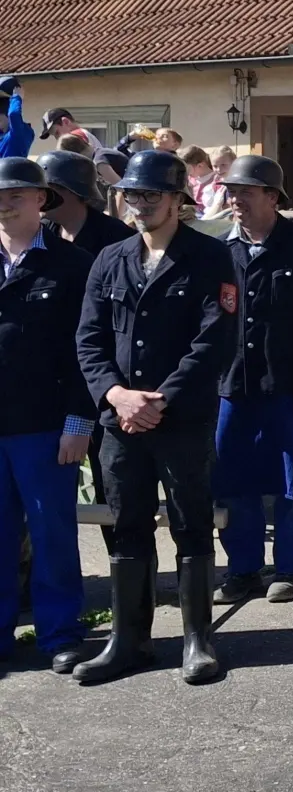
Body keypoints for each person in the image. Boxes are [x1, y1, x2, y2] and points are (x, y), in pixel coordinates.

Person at [74, 149, 236, 685]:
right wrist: (117, 396)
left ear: (177, 200)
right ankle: (129, 641)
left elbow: (214, 340)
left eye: (151, 195)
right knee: (127, 529)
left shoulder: (210, 258)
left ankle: (197, 639)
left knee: (191, 527)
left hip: (182, 420)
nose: (140, 204)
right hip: (120, 424)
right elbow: (89, 339)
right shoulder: (110, 258)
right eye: (132, 195)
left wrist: (158, 400)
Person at [211, 155, 293, 606]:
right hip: (232, 386)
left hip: (291, 384)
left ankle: (290, 569)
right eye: (232, 192)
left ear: (272, 197)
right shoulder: (219, 249)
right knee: (234, 480)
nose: (236, 200)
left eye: (245, 192)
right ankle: (242, 570)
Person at [0, 157, 94, 674]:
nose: (6, 202)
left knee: (52, 533)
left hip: (45, 427)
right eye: (0, 194)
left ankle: (60, 634)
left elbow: (87, 351)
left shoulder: (70, 265)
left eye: (17, 194)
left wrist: (79, 422)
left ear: (42, 200)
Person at [39, 149, 137, 557]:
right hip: (55, 376)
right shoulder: (41, 236)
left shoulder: (116, 240)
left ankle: (127, 564)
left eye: (51, 191)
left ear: (71, 192)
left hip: (108, 375)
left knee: (113, 478)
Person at [178, 146, 225, 215]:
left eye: (187, 169)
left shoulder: (216, 181)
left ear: (200, 165)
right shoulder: (189, 181)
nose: (185, 172)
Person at [37, 107, 104, 153]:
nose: (57, 138)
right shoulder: (86, 134)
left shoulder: (77, 135)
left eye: (57, 132)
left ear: (66, 122)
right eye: (54, 135)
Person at [0, 76, 31, 159]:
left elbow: (14, 114)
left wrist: (17, 97)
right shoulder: (2, 134)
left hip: (11, 171)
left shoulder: (19, 133)